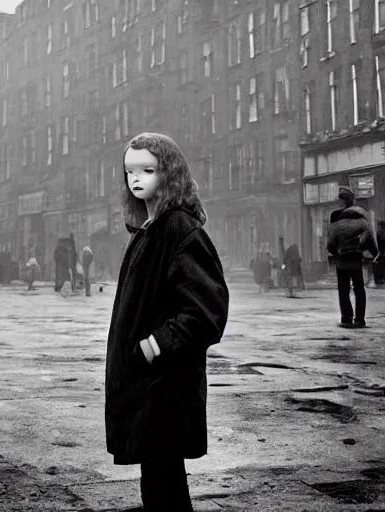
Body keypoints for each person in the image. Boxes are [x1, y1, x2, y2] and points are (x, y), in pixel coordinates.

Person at [105, 132, 229, 511]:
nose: (136, 179)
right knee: (160, 480)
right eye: (129, 172)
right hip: (150, 385)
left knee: (164, 485)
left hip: (164, 385)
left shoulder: (178, 230)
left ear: (170, 173)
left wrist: (154, 345)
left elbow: (207, 310)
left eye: (147, 169)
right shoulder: (150, 230)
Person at [326, 187, 378, 328]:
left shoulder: (336, 225)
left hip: (341, 261)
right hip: (356, 260)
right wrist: (374, 253)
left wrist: (336, 253)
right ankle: (359, 318)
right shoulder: (362, 222)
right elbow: (371, 240)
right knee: (359, 289)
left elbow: (330, 245)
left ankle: (346, 318)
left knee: (343, 290)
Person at [374, 220, 385, 287]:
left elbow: (379, 243)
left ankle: (380, 279)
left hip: (380, 251)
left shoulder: (380, 233)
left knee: (380, 265)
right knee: (384, 265)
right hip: (383, 251)